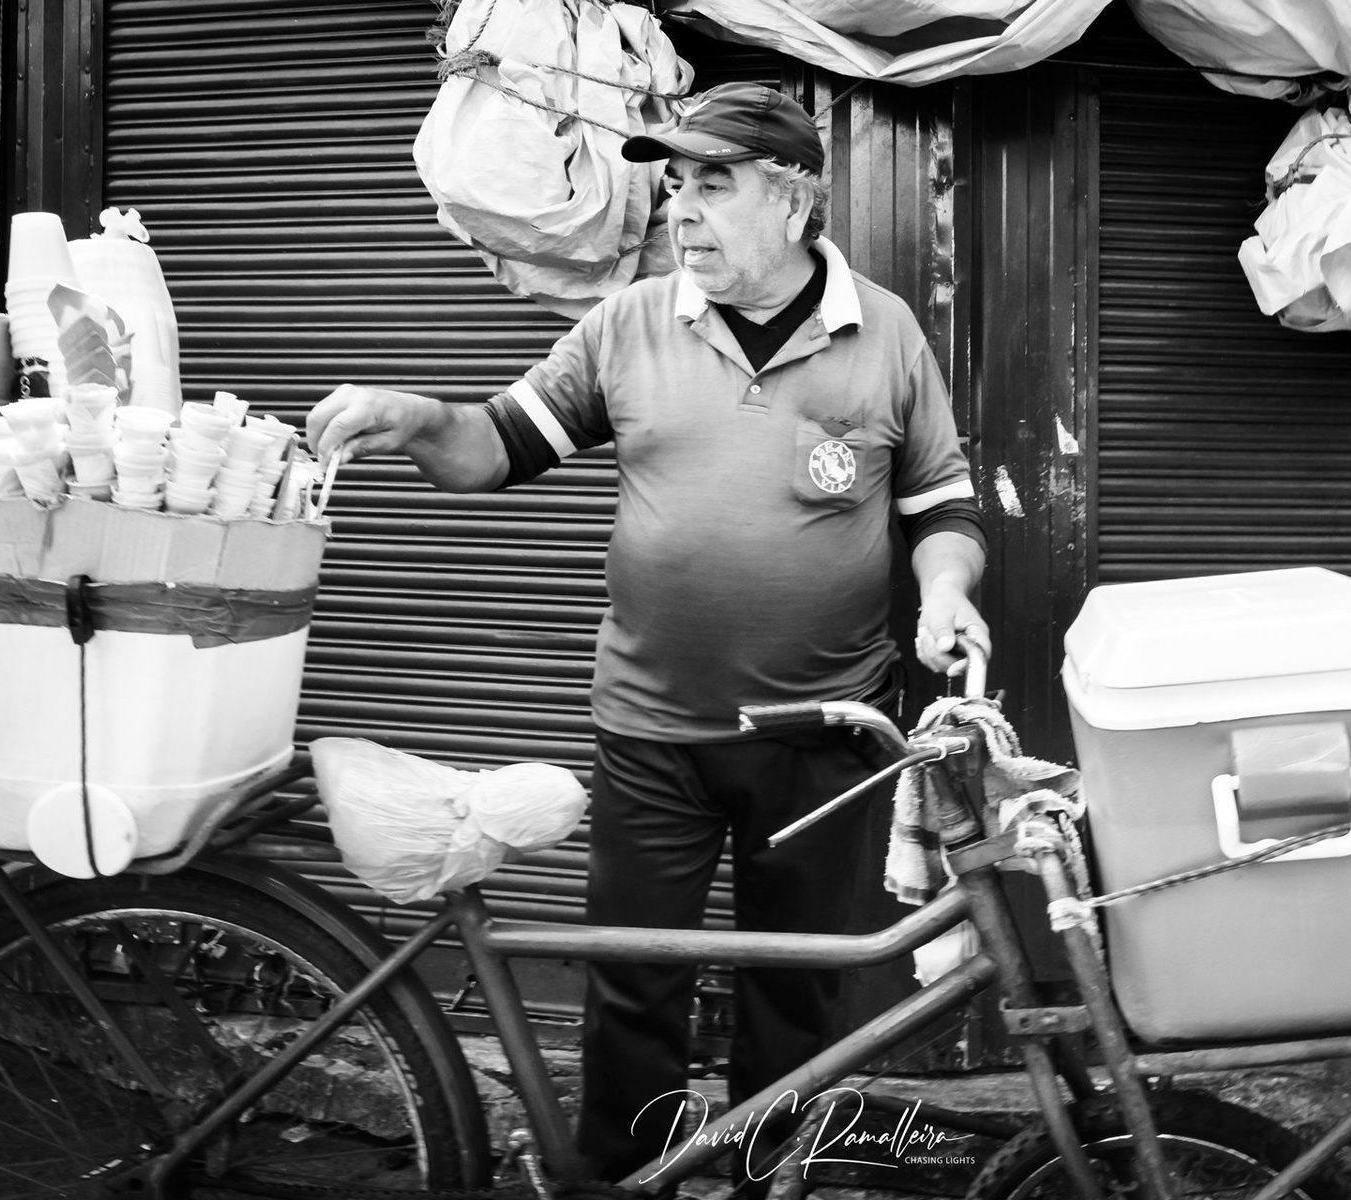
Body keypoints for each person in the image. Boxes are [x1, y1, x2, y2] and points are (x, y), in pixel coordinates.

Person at [306, 81, 990, 1185]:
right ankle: (624, 1182)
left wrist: (947, 591)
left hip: (825, 740)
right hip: (654, 735)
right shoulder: (628, 323)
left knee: (800, 989)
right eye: (675, 186)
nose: (683, 210)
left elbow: (940, 510)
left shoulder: (886, 332)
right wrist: (420, 417)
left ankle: (772, 1174)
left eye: (712, 185)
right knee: (633, 989)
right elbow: (496, 445)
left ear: (794, 198)